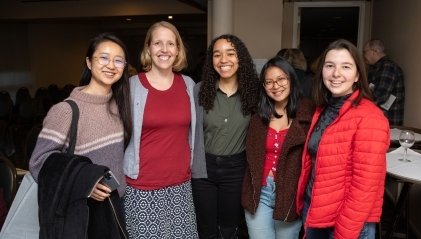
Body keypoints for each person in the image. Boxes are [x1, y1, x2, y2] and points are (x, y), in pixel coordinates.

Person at [29, 32, 132, 237]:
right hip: (84, 212)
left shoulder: (120, 106)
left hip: (115, 208)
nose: (111, 65)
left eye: (118, 60)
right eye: (103, 57)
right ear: (88, 62)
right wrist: (85, 184)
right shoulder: (66, 110)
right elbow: (38, 163)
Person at [296, 39, 390, 239]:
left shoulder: (370, 117)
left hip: (346, 224)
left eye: (345, 67)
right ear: (322, 71)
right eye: (330, 66)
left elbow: (365, 188)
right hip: (316, 211)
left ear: (357, 75)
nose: (336, 73)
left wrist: (344, 233)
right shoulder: (324, 108)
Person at [122, 21, 198, 238]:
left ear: (178, 50)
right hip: (142, 188)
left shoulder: (188, 85)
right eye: (157, 43)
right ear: (148, 49)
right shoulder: (131, 86)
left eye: (170, 44)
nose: (164, 50)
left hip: (181, 187)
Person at [191, 34, 259, 239]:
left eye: (230, 53)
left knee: (229, 228)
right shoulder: (199, 90)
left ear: (241, 58)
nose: (223, 60)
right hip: (204, 170)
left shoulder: (254, 92)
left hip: (236, 169)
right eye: (217, 55)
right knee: (206, 229)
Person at [241, 56, 315, 239]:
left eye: (281, 79)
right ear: (264, 87)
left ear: (291, 80)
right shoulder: (258, 116)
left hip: (290, 195)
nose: (276, 86)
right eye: (269, 82)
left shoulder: (309, 113)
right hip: (260, 193)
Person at [363, 39, 405, 125]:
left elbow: (379, 96)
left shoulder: (387, 67)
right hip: (380, 120)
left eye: (365, 52)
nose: (363, 55)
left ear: (373, 51)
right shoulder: (377, 68)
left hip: (388, 123)